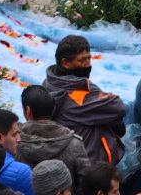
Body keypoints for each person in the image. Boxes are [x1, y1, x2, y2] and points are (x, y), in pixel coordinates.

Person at [44, 35, 126, 166]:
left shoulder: (51, 81)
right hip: (89, 162)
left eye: (89, 58)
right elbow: (118, 107)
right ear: (65, 63)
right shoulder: (74, 96)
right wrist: (105, 97)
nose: (88, 64)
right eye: (82, 60)